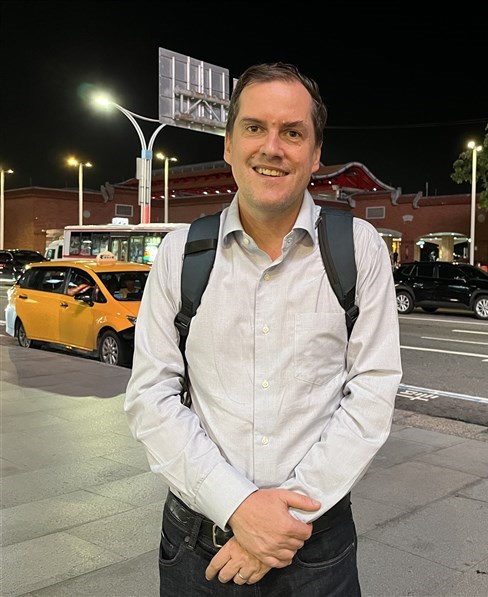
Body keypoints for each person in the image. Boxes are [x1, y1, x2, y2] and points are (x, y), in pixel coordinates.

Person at [124, 62, 402, 596]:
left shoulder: (357, 248)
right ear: (228, 144)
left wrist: (281, 522)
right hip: (196, 545)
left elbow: (372, 389)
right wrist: (239, 506)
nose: (271, 147)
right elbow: (151, 395)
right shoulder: (181, 254)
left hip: (317, 548)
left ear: (316, 153)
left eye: (292, 132)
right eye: (254, 127)